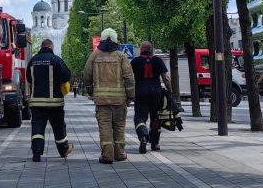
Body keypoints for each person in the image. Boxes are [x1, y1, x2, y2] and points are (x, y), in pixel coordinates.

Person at [84, 28, 136, 163]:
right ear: (115, 40)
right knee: (119, 127)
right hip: (119, 100)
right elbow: (129, 78)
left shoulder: (94, 56)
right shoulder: (121, 56)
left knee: (104, 127)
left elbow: (87, 75)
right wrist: (130, 95)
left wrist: (90, 91)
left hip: (101, 101)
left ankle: (107, 155)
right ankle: (120, 154)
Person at [26, 39, 73, 161]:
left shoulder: (32, 61)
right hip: (54, 102)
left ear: (41, 47)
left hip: (36, 102)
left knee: (37, 128)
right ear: (51, 47)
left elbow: (29, 79)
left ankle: (36, 154)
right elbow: (67, 75)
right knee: (58, 127)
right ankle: (63, 151)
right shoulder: (56, 60)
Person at [130, 41, 170, 154]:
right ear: (151, 49)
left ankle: (143, 135)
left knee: (140, 118)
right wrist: (170, 90)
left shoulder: (135, 61)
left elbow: (129, 78)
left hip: (140, 91)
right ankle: (155, 143)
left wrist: (129, 93)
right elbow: (165, 77)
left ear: (142, 49)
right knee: (155, 118)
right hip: (156, 92)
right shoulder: (158, 60)